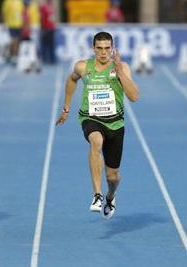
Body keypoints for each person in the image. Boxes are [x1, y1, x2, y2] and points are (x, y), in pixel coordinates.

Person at [56, 31, 139, 219]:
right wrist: (66, 109)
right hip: (90, 118)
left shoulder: (122, 67)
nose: (103, 52)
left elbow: (134, 96)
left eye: (107, 48)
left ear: (112, 48)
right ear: (93, 49)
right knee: (96, 141)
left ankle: (110, 195)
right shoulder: (83, 66)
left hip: (115, 124)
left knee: (113, 177)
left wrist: (119, 72)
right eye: (99, 48)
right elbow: (71, 80)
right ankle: (97, 195)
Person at [1, 0, 23, 64]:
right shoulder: (7, 0)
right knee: (14, 40)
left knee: (18, 41)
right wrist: (3, 23)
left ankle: (15, 55)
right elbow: (4, 13)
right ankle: (14, 56)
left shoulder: (20, 0)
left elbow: (23, 13)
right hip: (11, 24)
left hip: (19, 24)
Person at [39, 0, 56, 64]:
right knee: (47, 44)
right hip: (47, 27)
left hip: (49, 27)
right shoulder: (49, 6)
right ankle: (50, 59)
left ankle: (49, 59)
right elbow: (42, 18)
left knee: (48, 44)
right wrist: (42, 27)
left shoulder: (48, 6)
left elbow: (42, 18)